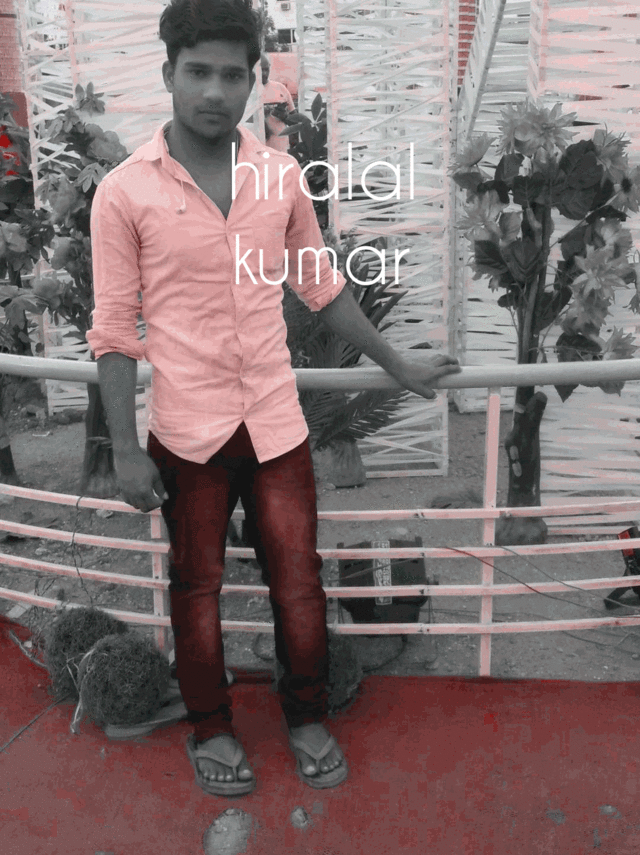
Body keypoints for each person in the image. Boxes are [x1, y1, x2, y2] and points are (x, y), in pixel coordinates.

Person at [86, 0, 460, 797]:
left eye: (233, 75)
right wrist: (123, 448)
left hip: (275, 422)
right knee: (197, 588)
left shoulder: (279, 176)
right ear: (168, 73)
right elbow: (114, 329)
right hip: (186, 431)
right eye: (198, 72)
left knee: (298, 581)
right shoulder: (124, 192)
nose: (215, 91)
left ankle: (307, 714)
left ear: (253, 81)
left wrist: (397, 362)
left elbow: (321, 287)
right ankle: (212, 726)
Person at [259, 52, 294, 152]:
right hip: (257, 148)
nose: (264, 73)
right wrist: (260, 114)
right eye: (261, 70)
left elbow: (295, 121)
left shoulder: (280, 88)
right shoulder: (249, 92)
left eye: (266, 69)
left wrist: (285, 117)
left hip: (280, 148)